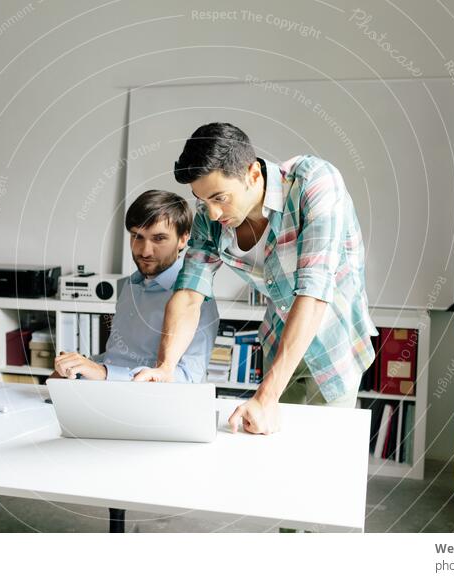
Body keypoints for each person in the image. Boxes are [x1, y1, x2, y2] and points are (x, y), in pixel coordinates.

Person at [135, 122, 377, 435]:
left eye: (219, 198)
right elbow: (190, 291)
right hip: (279, 338)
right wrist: (166, 367)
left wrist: (266, 396)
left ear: (252, 174)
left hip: (333, 344)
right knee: (269, 454)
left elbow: (314, 293)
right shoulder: (211, 216)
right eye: (202, 200)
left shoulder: (315, 183)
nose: (211, 213)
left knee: (318, 460)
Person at [52, 189, 219, 533]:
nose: (144, 251)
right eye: (137, 237)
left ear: (184, 239)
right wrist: (79, 367)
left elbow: (186, 380)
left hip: (151, 418)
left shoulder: (194, 299)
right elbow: (117, 353)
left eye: (159, 239)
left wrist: (102, 372)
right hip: (107, 401)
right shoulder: (131, 285)